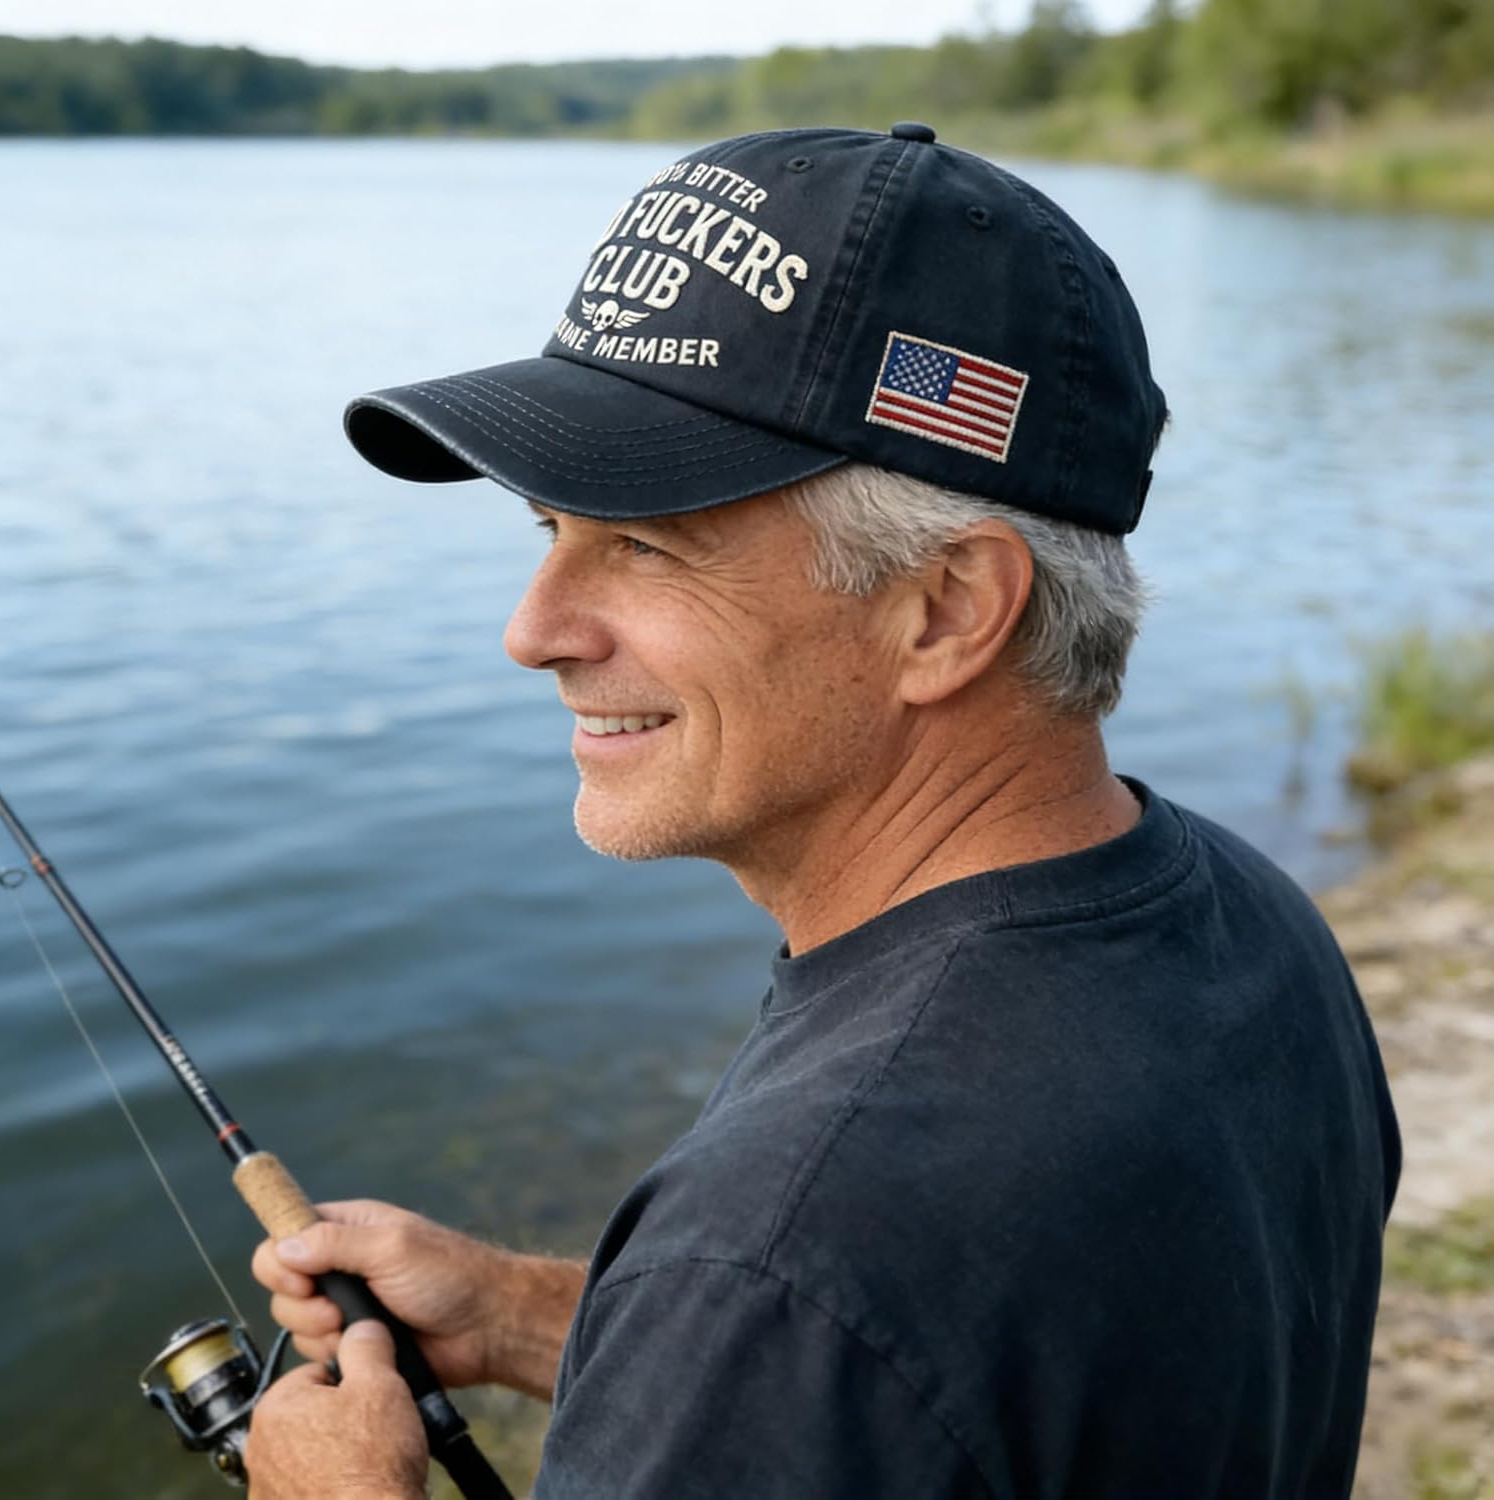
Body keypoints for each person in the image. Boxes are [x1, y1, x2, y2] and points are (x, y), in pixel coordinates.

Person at [247, 124, 1401, 1499]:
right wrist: (528, 1316)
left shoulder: (792, 1259)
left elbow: (824, 1323)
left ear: (945, 611)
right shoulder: (1247, 926)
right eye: (548, 532)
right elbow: (977, 1390)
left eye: (643, 545)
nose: (532, 631)